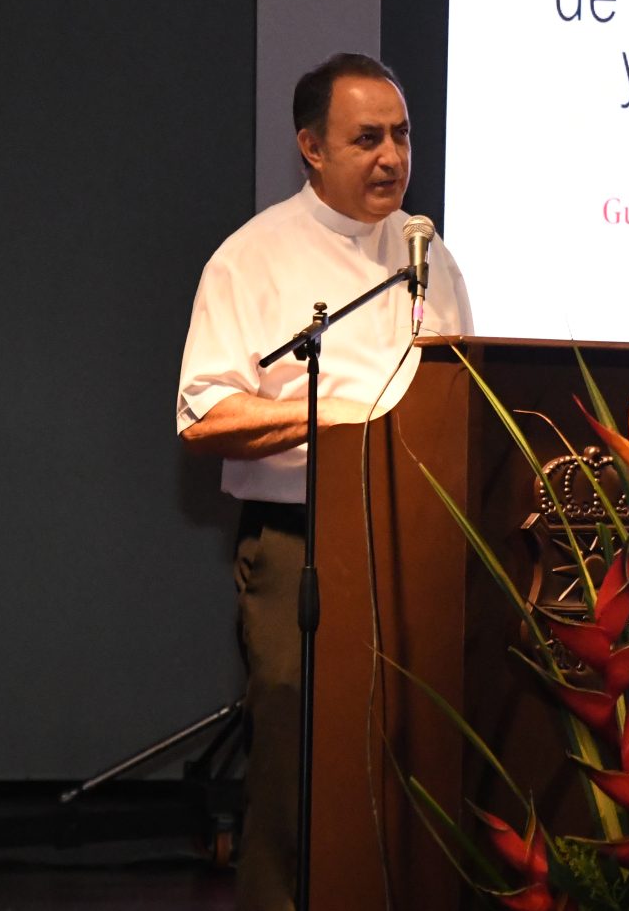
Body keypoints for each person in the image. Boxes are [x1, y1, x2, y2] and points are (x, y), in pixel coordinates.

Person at [176, 52, 472, 910]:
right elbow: (202, 417)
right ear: (311, 147)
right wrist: (332, 419)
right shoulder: (252, 258)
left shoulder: (428, 255)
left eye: (402, 136)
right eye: (367, 138)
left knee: (413, 753)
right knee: (297, 761)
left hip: (414, 549)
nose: (393, 157)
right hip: (300, 548)